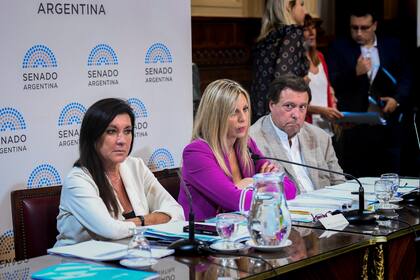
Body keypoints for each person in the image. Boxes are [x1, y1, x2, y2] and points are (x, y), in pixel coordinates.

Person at [55, 98, 184, 247]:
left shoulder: (136, 166)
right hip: (78, 265)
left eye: (127, 131)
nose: (122, 140)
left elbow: (176, 212)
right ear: (92, 136)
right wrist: (149, 219)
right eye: (111, 131)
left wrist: (138, 222)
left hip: (128, 259)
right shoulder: (77, 180)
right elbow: (111, 230)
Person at [178, 79, 297, 221]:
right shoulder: (196, 153)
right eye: (234, 112)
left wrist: (249, 184)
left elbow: (290, 189)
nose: (243, 118)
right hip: (207, 236)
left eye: (245, 109)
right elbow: (237, 201)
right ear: (216, 116)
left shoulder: (246, 145)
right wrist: (262, 184)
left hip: (243, 231)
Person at [327, 1, 411, 176]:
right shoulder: (339, 47)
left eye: (364, 28)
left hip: (388, 124)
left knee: (390, 173)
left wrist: (397, 99)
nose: (358, 33)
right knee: (357, 175)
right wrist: (354, 72)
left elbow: (407, 77)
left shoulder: (393, 45)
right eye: (354, 28)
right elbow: (332, 83)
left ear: (374, 25)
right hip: (355, 127)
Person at [250, 74, 345, 193]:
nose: (297, 115)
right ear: (272, 105)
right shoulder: (253, 142)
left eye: (302, 107)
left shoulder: (320, 137)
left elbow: (339, 184)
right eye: (289, 106)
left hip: (326, 208)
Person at [250, 0, 309, 123]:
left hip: (258, 113)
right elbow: (282, 78)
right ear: (288, 7)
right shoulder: (293, 33)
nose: (305, 11)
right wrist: (301, 82)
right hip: (280, 117)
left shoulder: (266, 38)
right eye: (301, 5)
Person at [303, 14, 343, 135]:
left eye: (313, 27)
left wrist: (332, 100)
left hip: (326, 127)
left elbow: (327, 89)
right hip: (307, 128)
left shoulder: (320, 57)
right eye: (305, 29)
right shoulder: (295, 63)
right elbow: (296, 103)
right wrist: (321, 111)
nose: (311, 32)